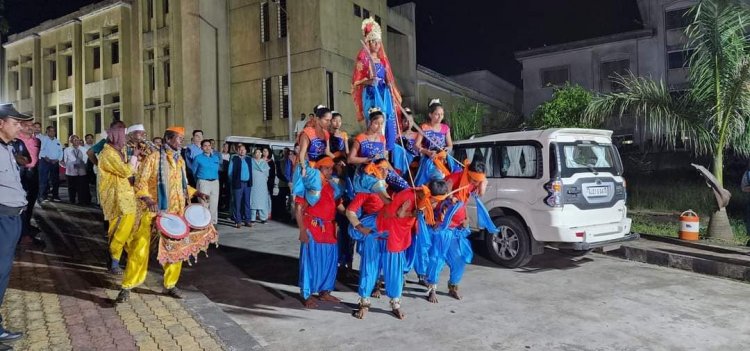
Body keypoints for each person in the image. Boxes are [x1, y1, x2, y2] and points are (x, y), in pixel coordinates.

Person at [115, 126, 211, 303]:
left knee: (175, 251)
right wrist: (149, 200)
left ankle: (171, 284)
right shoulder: (153, 158)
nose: (181, 142)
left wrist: (197, 193)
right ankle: (127, 286)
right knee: (140, 249)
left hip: (174, 214)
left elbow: (181, 186)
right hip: (151, 212)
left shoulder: (179, 160)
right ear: (168, 139)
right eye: (178, 138)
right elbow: (140, 184)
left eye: (182, 139)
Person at [348, 188, 416, 320]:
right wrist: (361, 227)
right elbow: (350, 211)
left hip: (393, 235)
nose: (384, 171)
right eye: (381, 169)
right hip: (373, 233)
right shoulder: (366, 189)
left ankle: (396, 304)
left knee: (395, 271)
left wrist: (411, 213)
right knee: (369, 268)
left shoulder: (397, 187)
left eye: (386, 169)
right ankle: (364, 302)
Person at [0, 103, 32, 343]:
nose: (20, 127)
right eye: (15, 122)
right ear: (1, 123)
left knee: (3, 273)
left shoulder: (7, 148)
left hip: (12, 217)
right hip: (2, 218)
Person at [352, 17, 403, 151]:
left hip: (383, 92)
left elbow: (388, 78)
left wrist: (389, 84)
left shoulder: (383, 61)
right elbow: (356, 81)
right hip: (371, 93)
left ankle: (386, 150)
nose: (377, 45)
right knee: (374, 120)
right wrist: (369, 81)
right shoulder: (363, 60)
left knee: (386, 119)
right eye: (374, 42)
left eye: (379, 42)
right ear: (368, 43)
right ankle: (375, 148)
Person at [297, 156, 343, 308]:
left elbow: (338, 206)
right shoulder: (309, 184)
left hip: (329, 229)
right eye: (327, 168)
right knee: (310, 261)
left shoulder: (331, 186)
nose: (330, 171)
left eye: (331, 168)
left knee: (329, 262)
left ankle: (325, 292)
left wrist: (354, 217)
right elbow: (298, 208)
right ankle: (306, 294)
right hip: (313, 226)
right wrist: (302, 229)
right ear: (318, 169)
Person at [423, 179, 472, 304]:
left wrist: (465, 223)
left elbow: (466, 219)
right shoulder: (428, 203)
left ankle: (453, 286)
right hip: (438, 235)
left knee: (458, 260)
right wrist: (433, 223)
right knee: (436, 260)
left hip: (453, 234)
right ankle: (432, 288)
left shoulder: (457, 203)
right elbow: (426, 220)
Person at [98, 125, 137, 275]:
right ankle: (114, 261)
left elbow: (130, 171)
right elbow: (126, 171)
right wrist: (134, 156)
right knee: (118, 229)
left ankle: (119, 258)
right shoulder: (108, 153)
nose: (125, 140)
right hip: (116, 197)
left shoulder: (118, 152)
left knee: (127, 229)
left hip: (126, 195)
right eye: (123, 136)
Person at [348, 109, 409, 201]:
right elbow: (350, 159)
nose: (379, 126)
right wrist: (366, 159)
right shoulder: (361, 138)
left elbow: (383, 158)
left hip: (381, 168)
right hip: (367, 171)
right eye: (376, 123)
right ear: (369, 122)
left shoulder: (382, 138)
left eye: (381, 124)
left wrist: (394, 172)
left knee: (404, 186)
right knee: (382, 190)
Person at [11, 119, 43, 247]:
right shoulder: (16, 140)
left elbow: (34, 157)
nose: (30, 128)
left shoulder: (37, 141)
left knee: (31, 200)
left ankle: (26, 226)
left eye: (32, 125)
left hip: (33, 172)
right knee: (21, 202)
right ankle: (21, 232)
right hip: (21, 173)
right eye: (27, 125)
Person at [414, 99, 459, 186]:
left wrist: (446, 149)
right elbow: (416, 145)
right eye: (437, 114)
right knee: (437, 178)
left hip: (443, 158)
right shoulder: (424, 127)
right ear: (430, 115)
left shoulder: (445, 128)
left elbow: (450, 145)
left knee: (455, 176)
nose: (440, 117)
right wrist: (427, 152)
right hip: (429, 159)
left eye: (442, 114)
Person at [193, 139, 221, 225]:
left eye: (209, 145)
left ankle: (212, 223)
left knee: (214, 204)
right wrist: (199, 182)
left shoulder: (216, 158)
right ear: (202, 147)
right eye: (205, 146)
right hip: (203, 182)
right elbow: (194, 171)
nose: (207, 147)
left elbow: (218, 170)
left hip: (215, 182)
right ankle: (204, 223)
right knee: (204, 204)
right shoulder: (198, 158)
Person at [228, 144, 253, 228]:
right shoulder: (234, 159)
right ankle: (238, 221)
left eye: (243, 149)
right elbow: (230, 172)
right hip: (238, 183)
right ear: (238, 151)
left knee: (247, 202)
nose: (242, 151)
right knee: (237, 202)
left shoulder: (249, 159)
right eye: (240, 149)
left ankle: (247, 220)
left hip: (247, 183)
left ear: (246, 151)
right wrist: (234, 181)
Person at [63, 135, 91, 205]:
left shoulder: (84, 149)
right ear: (71, 141)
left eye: (77, 139)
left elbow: (86, 160)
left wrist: (82, 165)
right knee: (71, 187)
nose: (77, 141)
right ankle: (72, 200)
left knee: (81, 187)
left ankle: (81, 201)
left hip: (81, 171)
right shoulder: (67, 150)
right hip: (70, 171)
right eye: (74, 140)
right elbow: (65, 161)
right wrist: (70, 165)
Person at [38, 125, 63, 202]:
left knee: (55, 180)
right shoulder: (43, 139)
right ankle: (42, 196)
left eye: (53, 131)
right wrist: (46, 157)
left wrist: (58, 159)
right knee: (43, 179)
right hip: (45, 161)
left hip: (55, 162)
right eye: (50, 131)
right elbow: (40, 150)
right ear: (47, 132)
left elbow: (61, 152)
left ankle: (55, 196)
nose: (52, 132)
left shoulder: (57, 141)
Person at [251, 148, 271, 224]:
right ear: (254, 154)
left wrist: (264, 179)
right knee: (253, 200)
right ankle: (252, 218)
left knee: (262, 201)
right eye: (256, 152)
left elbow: (267, 174)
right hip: (254, 184)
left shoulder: (264, 163)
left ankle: (263, 218)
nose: (258, 154)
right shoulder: (251, 162)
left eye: (259, 153)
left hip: (262, 184)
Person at [219, 142, 231, 212]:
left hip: (227, 174)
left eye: (227, 147)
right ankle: (220, 205)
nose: (226, 148)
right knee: (220, 190)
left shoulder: (230, 156)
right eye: (224, 147)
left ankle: (227, 206)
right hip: (220, 173)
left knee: (227, 190)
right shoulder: (219, 155)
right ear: (222, 147)